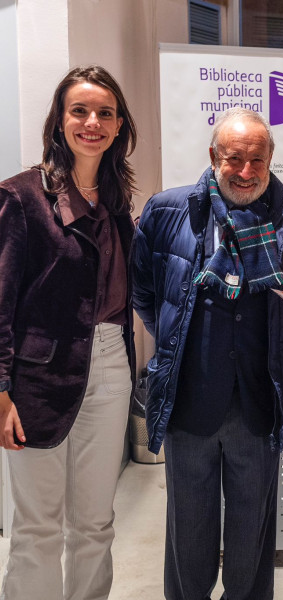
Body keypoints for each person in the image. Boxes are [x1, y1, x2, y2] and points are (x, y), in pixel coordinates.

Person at [131, 107, 283, 600]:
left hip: (259, 401)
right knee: (187, 533)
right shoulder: (168, 210)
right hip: (189, 401)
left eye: (257, 160)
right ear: (212, 155)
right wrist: (177, 342)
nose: (245, 171)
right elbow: (146, 293)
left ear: (271, 160)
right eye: (234, 158)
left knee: (251, 538)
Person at [0, 65, 137, 599]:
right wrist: (2, 388)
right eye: (79, 110)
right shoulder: (20, 196)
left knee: (95, 524)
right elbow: (2, 300)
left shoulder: (119, 201)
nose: (92, 122)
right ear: (60, 120)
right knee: (36, 528)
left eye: (105, 112)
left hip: (109, 363)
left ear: (119, 124)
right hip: (37, 377)